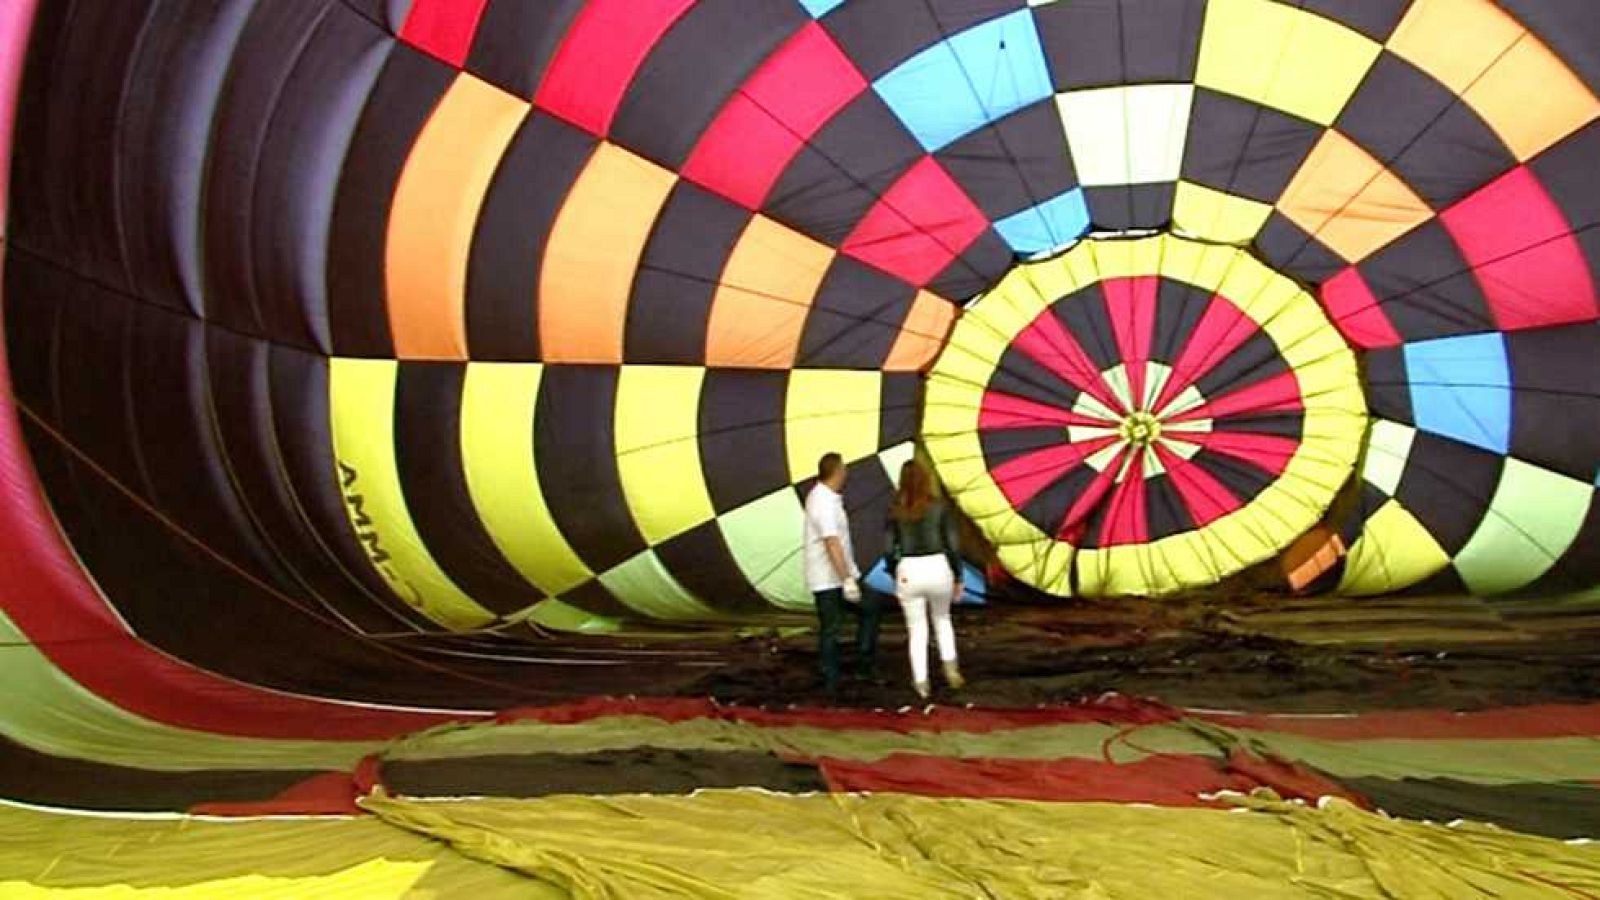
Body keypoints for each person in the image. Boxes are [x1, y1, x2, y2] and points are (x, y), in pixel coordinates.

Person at [884, 459, 965, 700]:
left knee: (916, 630)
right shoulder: (939, 507)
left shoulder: (894, 510)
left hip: (909, 568)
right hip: (938, 566)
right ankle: (951, 670)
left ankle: (921, 682)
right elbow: (953, 544)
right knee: (942, 620)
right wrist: (958, 575)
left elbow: (889, 548)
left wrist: (893, 571)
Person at [803, 452, 882, 695]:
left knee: (871, 608)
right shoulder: (822, 502)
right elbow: (832, 543)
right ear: (836, 472)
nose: (846, 473)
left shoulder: (828, 498)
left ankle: (861, 666)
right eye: (844, 469)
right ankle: (832, 679)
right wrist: (847, 580)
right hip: (828, 579)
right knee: (832, 628)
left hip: (840, 575)